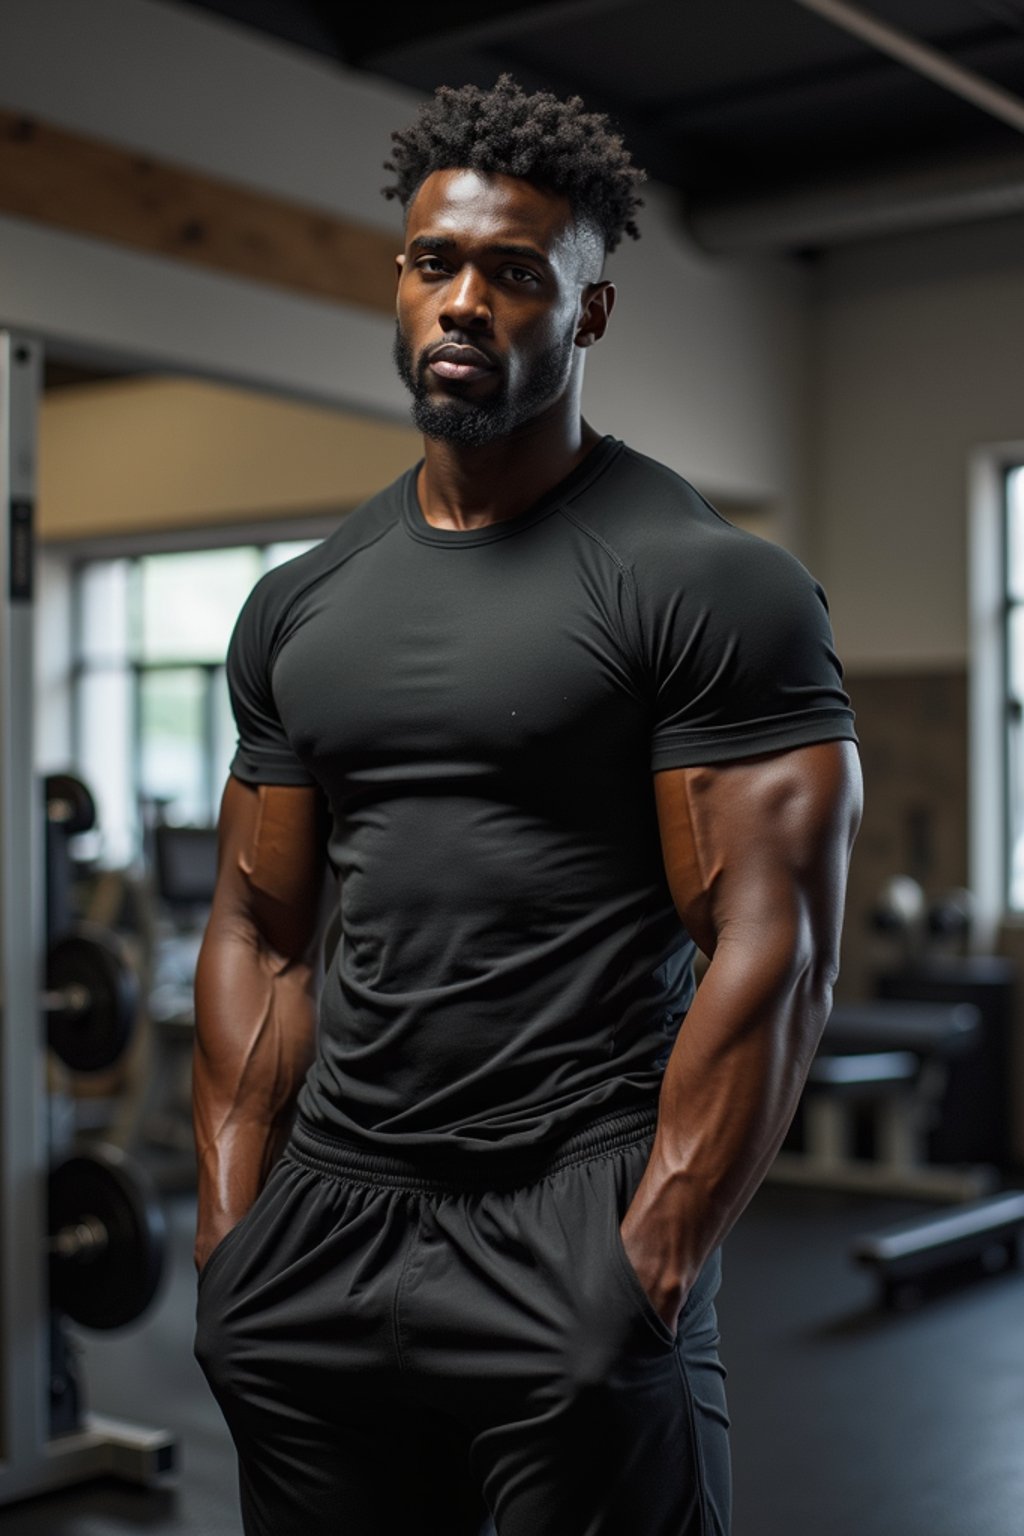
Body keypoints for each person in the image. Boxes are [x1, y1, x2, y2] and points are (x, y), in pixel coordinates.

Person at [193, 75, 862, 1536]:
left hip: (570, 1208)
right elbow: (261, 927)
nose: (465, 304)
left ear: (589, 311)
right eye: (437, 264)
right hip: (325, 1221)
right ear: (401, 277)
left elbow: (776, 946)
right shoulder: (299, 606)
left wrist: (648, 1267)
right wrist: (230, 1239)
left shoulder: (707, 585)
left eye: (514, 274)